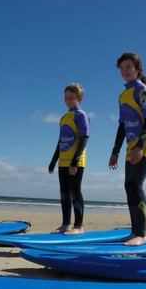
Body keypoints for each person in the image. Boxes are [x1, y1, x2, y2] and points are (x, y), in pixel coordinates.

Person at [108, 52, 146, 247]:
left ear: (137, 69)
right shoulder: (123, 95)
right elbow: (122, 125)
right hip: (132, 146)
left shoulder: (143, 91)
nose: (125, 71)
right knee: (129, 186)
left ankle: (141, 233)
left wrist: (139, 146)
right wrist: (116, 151)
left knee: (135, 184)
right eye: (121, 67)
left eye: (129, 67)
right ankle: (134, 231)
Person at [48, 83, 90, 234]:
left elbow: (84, 138)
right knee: (64, 192)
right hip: (63, 161)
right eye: (66, 97)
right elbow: (60, 141)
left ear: (79, 99)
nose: (68, 100)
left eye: (71, 97)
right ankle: (66, 224)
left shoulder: (81, 115)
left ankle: (79, 226)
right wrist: (53, 161)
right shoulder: (64, 117)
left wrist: (75, 161)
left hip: (76, 161)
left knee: (74, 191)